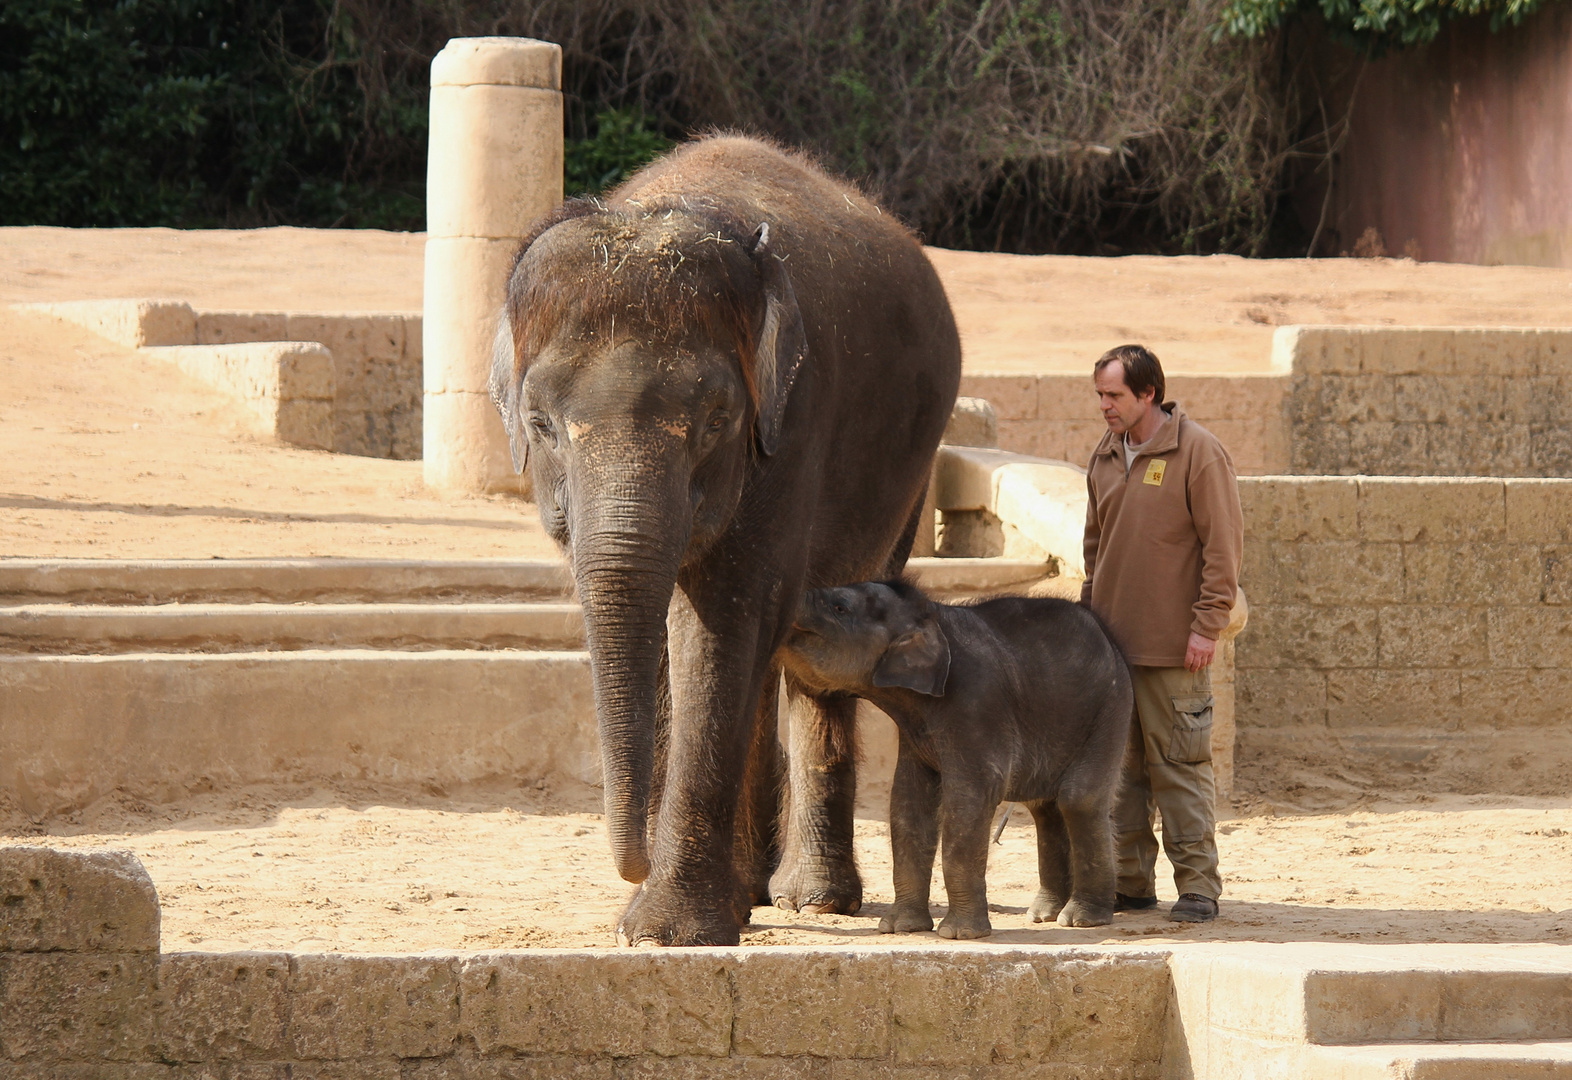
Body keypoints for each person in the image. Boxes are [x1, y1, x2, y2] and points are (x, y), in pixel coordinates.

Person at [1080, 344, 1242, 923]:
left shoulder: (1199, 453)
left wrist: (1206, 627)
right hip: (1112, 653)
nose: (1104, 405)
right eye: (1099, 394)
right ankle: (1131, 884)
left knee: (1180, 769)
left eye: (1114, 395)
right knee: (1118, 776)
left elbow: (1223, 551)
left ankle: (1198, 887)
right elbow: (1094, 553)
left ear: (1147, 393)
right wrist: (1087, 630)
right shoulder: (1103, 457)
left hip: (1179, 650)